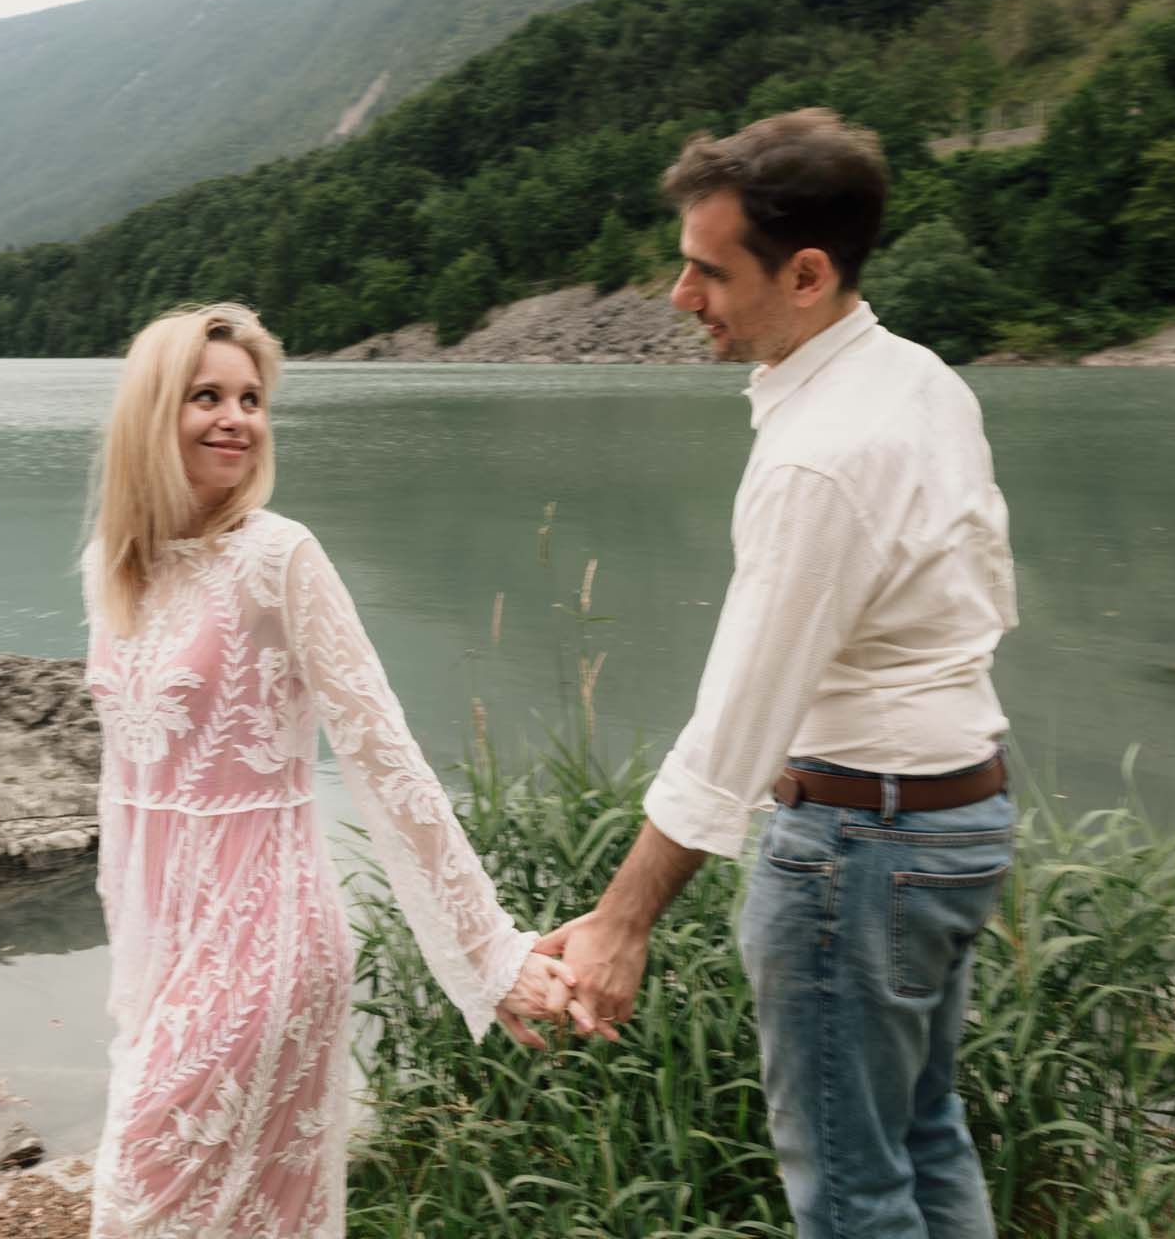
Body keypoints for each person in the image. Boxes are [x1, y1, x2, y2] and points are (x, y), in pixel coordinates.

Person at [539, 110, 1019, 1239]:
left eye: (709, 268)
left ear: (806, 274)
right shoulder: (924, 381)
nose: (678, 293)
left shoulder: (821, 454)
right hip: (961, 814)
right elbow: (989, 604)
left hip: (863, 848)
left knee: (850, 1191)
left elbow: (736, 728)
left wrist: (619, 920)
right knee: (924, 1133)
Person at [82, 301, 572, 1238]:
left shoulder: (278, 557)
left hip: (265, 938)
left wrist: (489, 951)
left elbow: (385, 757)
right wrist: (134, 974)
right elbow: (123, 790)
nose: (236, 417)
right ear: (151, 413)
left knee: (135, 1209)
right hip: (169, 952)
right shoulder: (116, 565)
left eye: (252, 398)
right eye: (206, 396)